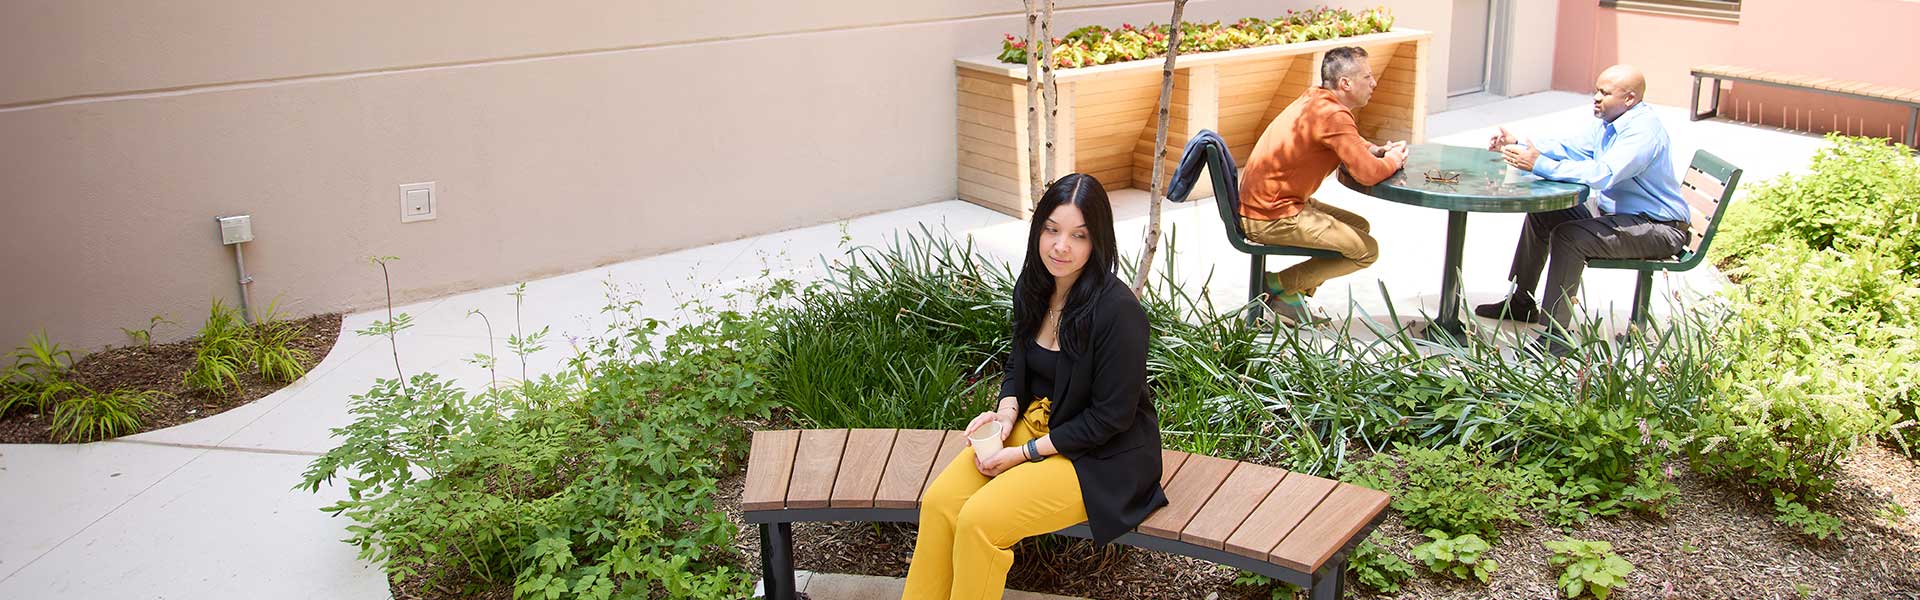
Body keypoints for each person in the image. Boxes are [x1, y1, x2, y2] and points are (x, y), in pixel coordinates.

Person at [902, 173, 1164, 600]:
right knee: (940, 504)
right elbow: (1018, 364)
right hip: (1042, 423)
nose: (1062, 246)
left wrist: (1022, 454)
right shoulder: (1035, 286)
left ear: (1097, 240)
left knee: (979, 522)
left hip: (1103, 456)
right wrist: (1005, 415)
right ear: (1038, 229)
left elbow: (1111, 417)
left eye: (1078, 235)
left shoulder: (1119, 312)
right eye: (1052, 230)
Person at [1475, 64, 1691, 356]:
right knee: (1546, 212)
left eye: (1605, 92)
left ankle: (1556, 338)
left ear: (1629, 98)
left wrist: (1538, 164)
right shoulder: (1611, 122)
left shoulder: (1642, 132)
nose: (1596, 97)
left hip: (1658, 228)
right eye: (1596, 90)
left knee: (1570, 237)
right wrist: (1519, 143)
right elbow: (1572, 148)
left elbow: (1603, 174)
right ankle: (1520, 303)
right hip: (1624, 217)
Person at [1238, 45, 1409, 325]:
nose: (1374, 83)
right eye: (1367, 77)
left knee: (1359, 227)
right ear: (1346, 83)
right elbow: (1367, 174)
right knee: (1367, 250)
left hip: (1272, 204)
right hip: (1272, 216)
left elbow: (1347, 142)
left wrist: (1374, 150)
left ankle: (1288, 299)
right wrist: (1393, 160)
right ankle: (1275, 286)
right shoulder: (1333, 115)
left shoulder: (1317, 100)